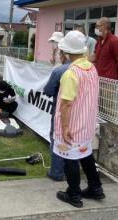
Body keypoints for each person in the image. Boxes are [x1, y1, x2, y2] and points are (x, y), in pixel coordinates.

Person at [53, 31, 104, 208]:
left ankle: (73, 193)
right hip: (87, 123)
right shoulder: (92, 68)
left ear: (67, 52)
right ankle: (96, 188)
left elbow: (66, 104)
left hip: (72, 124)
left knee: (70, 158)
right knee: (86, 154)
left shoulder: (71, 73)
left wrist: (65, 127)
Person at [43, 50, 71, 182]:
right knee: (74, 140)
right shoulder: (88, 69)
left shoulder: (60, 71)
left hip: (61, 109)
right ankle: (70, 172)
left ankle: (57, 172)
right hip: (80, 113)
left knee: (57, 137)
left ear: (64, 55)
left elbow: (48, 90)